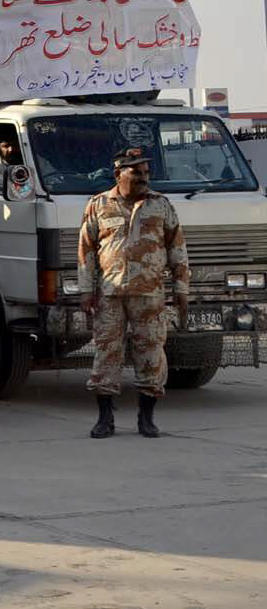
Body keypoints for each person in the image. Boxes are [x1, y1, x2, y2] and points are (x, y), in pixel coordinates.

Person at [79, 147, 188, 439]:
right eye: (136, 172)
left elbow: (177, 249)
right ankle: (105, 419)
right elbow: (86, 251)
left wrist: (181, 288)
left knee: (151, 354)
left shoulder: (160, 205)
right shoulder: (98, 205)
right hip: (109, 294)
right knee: (106, 354)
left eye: (146, 172)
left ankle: (147, 418)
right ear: (119, 174)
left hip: (149, 294)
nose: (143, 178)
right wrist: (85, 291)